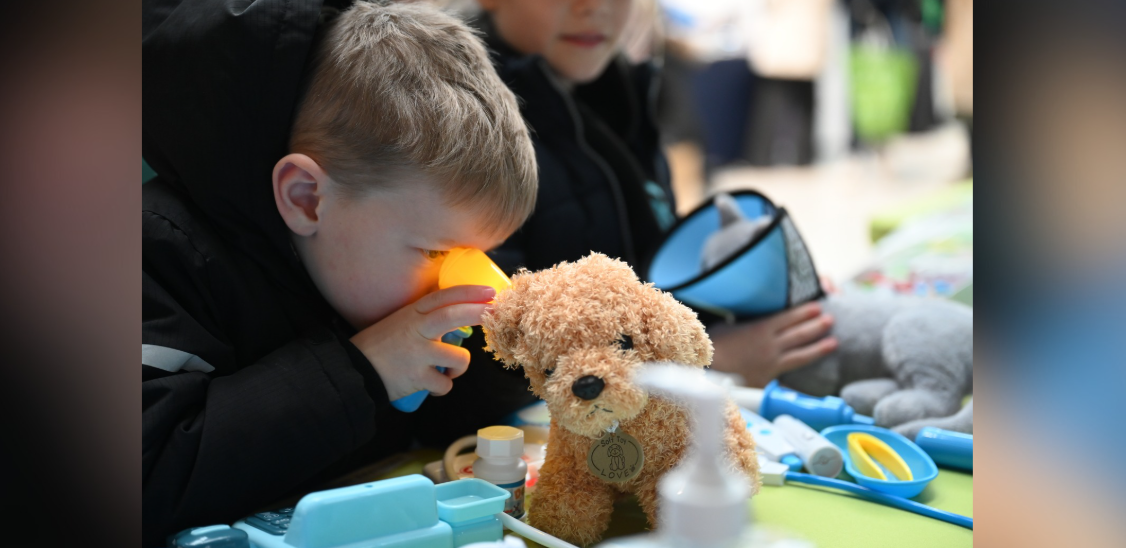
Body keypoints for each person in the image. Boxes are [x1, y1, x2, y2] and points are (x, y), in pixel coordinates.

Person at [141, 1, 537, 544]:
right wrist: (362, 373)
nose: (459, 280)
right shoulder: (151, 251)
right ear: (306, 199)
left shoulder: (370, 245)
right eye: (437, 257)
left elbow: (445, 421)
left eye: (479, 256)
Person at [471, 0, 838, 388]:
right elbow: (487, 372)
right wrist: (699, 365)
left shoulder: (620, 94)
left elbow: (646, 273)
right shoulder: (465, 122)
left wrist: (737, 298)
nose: (595, 7)